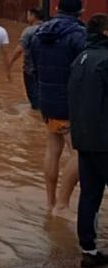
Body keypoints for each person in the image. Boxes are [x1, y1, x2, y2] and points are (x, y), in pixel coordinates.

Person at [31, 0, 87, 218]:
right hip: (71, 102)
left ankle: (50, 202)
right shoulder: (79, 35)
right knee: (82, 152)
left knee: (53, 149)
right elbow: (85, 69)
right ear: (80, 12)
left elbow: (33, 66)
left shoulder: (38, 33)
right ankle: (62, 205)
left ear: (56, 7)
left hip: (47, 99)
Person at [68, 14, 108, 267]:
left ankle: (89, 250)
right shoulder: (105, 61)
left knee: (90, 194)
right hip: (104, 140)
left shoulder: (79, 59)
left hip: (83, 139)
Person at [7, 7, 45, 110]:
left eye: (28, 15)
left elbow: (19, 50)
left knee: (34, 99)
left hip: (30, 69)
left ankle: (37, 120)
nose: (27, 17)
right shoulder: (50, 28)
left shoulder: (29, 31)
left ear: (33, 16)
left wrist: (9, 64)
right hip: (46, 69)